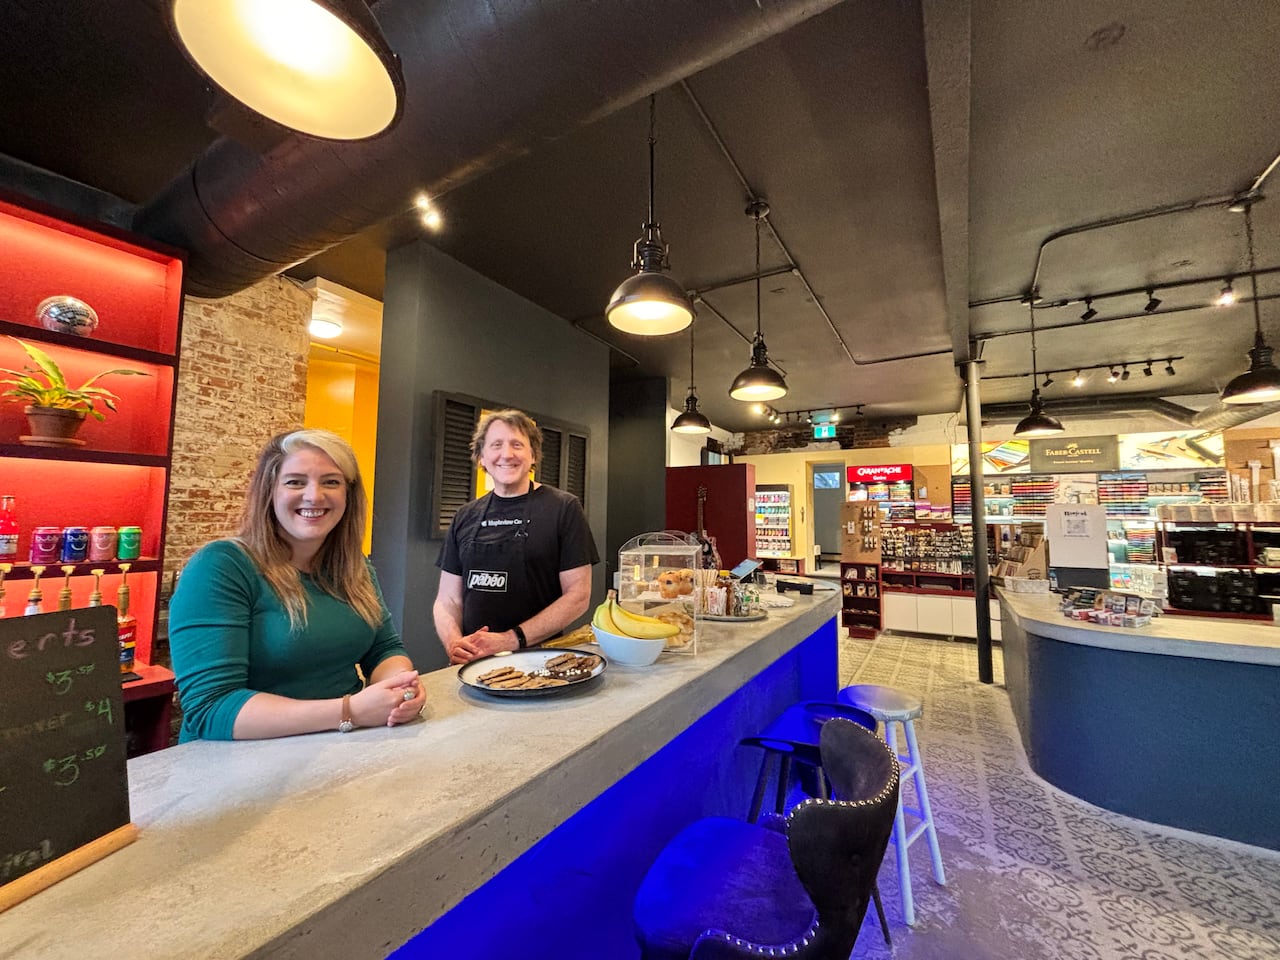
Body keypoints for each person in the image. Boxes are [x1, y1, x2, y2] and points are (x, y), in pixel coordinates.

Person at [170, 429, 424, 741]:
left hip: (340, 752)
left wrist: (400, 687)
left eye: (331, 481)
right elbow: (211, 707)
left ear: (349, 495)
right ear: (270, 491)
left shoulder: (354, 566)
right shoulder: (221, 566)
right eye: (295, 482)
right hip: (234, 770)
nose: (314, 496)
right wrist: (350, 711)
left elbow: (384, 649)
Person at [434, 409, 599, 664]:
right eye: (496, 445)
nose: (507, 454)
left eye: (517, 445)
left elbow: (578, 596)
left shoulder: (563, 508)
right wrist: (455, 644)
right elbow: (448, 600)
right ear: (481, 457)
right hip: (471, 663)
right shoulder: (465, 516)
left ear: (533, 455)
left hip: (541, 661)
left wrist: (512, 639)